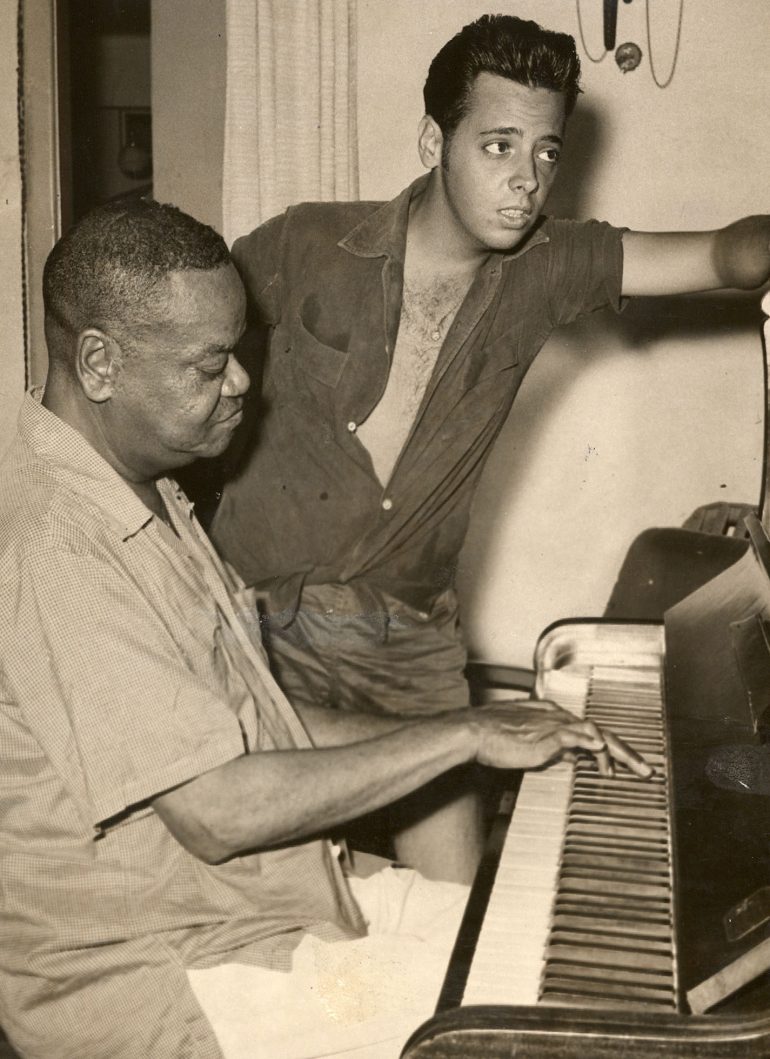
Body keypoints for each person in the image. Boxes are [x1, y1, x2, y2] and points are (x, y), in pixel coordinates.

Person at [0, 199, 653, 1059]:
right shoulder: (55, 543)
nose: (243, 381)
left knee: (550, 937)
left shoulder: (141, 484)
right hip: (166, 976)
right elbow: (216, 810)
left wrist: (476, 728)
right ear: (99, 363)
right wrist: (463, 736)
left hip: (264, 906)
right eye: (211, 364)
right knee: (542, 1012)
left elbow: (255, 723)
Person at [208, 12, 770, 885]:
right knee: (286, 903)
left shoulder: (550, 266)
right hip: (259, 624)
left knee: (458, 909)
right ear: (434, 141)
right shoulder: (306, 243)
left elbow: (732, 257)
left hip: (408, 641)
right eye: (499, 146)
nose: (526, 180)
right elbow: (179, 352)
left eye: (546, 152)